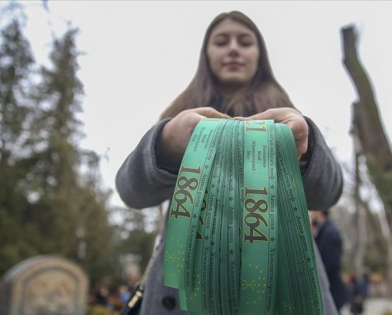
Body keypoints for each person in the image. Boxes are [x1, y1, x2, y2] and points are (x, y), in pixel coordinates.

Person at [116, 10, 344, 315]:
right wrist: (166, 144)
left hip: (285, 294)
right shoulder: (178, 114)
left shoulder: (288, 115)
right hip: (183, 296)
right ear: (206, 54)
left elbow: (330, 193)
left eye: (245, 42)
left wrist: (307, 149)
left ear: (260, 55)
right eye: (221, 41)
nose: (233, 48)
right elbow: (131, 192)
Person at [310, 209, 349, 314]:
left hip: (332, 292)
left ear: (320, 211)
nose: (311, 214)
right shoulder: (323, 231)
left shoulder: (329, 232)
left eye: (312, 211)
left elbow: (332, 264)